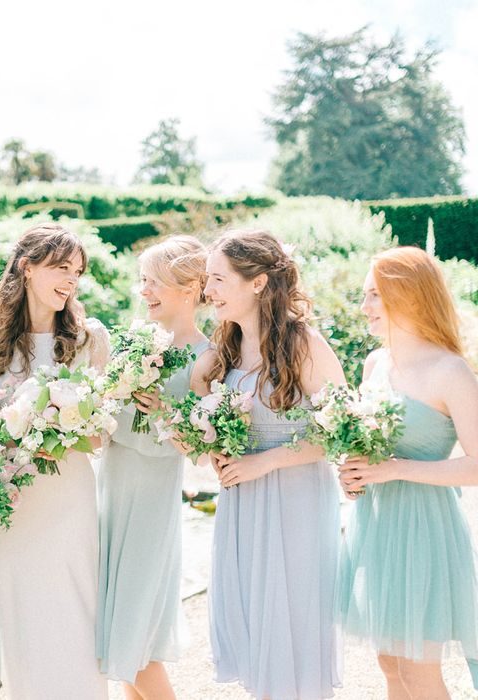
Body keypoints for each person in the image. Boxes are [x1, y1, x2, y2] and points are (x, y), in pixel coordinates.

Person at [195, 229, 344, 699]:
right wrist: (211, 446)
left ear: (257, 282)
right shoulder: (226, 350)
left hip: (295, 502)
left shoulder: (305, 344)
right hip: (242, 504)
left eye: (218, 279)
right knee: (256, 623)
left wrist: (269, 461)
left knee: (294, 624)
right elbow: (201, 422)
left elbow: (343, 432)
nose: (208, 291)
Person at [0, 222, 110, 700]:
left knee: (76, 610)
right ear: (27, 268)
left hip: (68, 495)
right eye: (60, 267)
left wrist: (55, 426)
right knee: (19, 611)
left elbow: (99, 436)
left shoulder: (90, 339)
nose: (70, 280)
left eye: (76, 271)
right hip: (12, 499)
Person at [338, 246, 478, 700]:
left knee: (419, 672)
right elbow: (367, 447)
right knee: (390, 664)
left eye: (374, 295)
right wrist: (355, 473)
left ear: (411, 296)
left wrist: (393, 468)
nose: (364, 308)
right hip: (375, 524)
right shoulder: (375, 364)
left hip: (423, 529)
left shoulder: (451, 370)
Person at [96, 235, 210, 699]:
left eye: (154, 282)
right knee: (122, 644)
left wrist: (163, 411)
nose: (143, 291)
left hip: (150, 503)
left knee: (134, 646)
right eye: (142, 280)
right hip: (112, 494)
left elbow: (200, 446)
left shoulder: (207, 357)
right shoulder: (133, 342)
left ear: (189, 288)